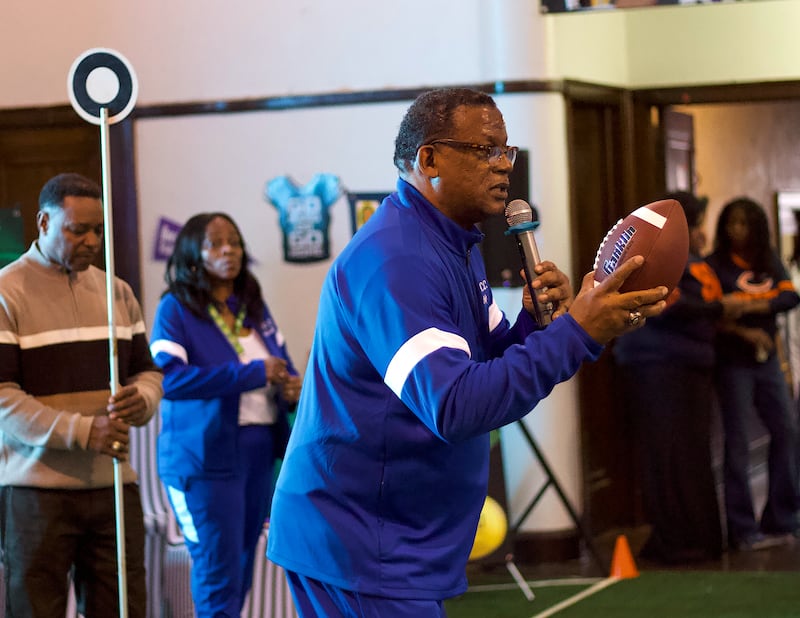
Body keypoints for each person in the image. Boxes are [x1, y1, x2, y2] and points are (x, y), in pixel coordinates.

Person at [266, 87, 668, 616]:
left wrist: (548, 322)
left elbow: (491, 358)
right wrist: (578, 333)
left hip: (392, 537)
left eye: (508, 151)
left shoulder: (454, 244)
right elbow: (455, 406)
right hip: (359, 542)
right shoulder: (396, 261)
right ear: (427, 158)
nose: (504, 166)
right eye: (485, 150)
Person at [0, 172, 163, 617]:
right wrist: (83, 430)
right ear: (43, 223)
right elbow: (3, 398)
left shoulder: (117, 292)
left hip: (112, 482)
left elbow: (147, 372)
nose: (92, 241)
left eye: (99, 230)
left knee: (124, 608)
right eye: (78, 230)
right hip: (35, 491)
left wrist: (143, 398)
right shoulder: (6, 292)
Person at [149, 212, 301, 617]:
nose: (229, 250)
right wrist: (251, 373)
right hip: (203, 461)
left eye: (233, 241)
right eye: (215, 243)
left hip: (257, 454)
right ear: (193, 254)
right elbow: (169, 380)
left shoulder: (253, 306)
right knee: (217, 573)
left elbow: (281, 363)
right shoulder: (176, 309)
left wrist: (292, 387)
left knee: (242, 570)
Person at [614, 191, 742, 564]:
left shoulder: (694, 257)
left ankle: (697, 539)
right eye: (698, 223)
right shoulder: (658, 251)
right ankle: (679, 540)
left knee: (688, 453)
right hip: (660, 363)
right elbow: (664, 301)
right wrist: (720, 308)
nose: (702, 232)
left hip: (690, 365)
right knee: (668, 454)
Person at [706, 197, 800, 551]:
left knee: (787, 431)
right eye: (731, 223)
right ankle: (743, 529)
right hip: (733, 363)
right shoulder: (715, 265)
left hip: (767, 361)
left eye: (744, 223)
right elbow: (713, 312)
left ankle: (782, 518)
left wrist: (746, 306)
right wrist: (744, 326)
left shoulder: (767, 261)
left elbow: (789, 297)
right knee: (739, 443)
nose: (737, 230)